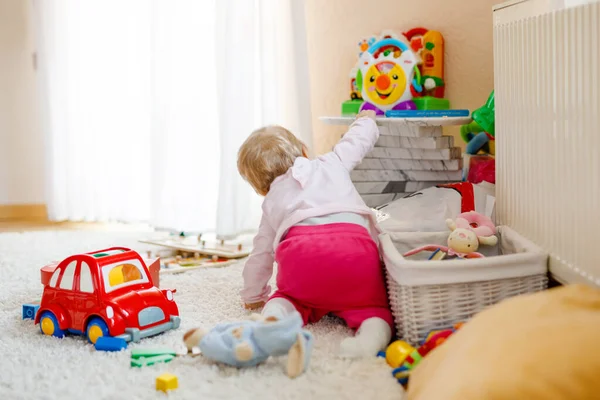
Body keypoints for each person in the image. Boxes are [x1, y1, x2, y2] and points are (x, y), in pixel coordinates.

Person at [236, 110, 393, 358]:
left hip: (303, 259)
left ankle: (274, 321)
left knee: (287, 299)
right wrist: (366, 120)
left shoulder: (271, 201)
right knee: (374, 309)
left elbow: (261, 253)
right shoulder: (332, 162)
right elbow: (356, 142)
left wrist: (253, 295)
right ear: (304, 151)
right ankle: (369, 340)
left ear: (260, 188)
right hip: (355, 255)